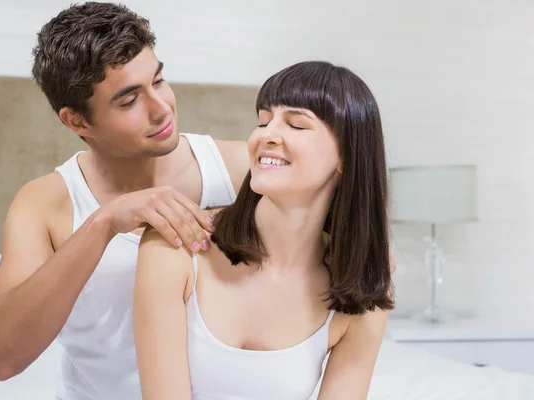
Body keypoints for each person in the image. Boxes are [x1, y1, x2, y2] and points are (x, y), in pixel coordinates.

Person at [0, 2, 249, 399]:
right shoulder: (45, 204)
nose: (162, 109)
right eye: (129, 101)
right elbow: (0, 360)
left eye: (158, 81)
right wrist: (102, 224)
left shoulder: (239, 171)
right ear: (77, 122)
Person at [134, 60, 395, 399]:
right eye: (263, 119)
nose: (266, 135)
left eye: (297, 125)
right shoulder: (176, 247)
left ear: (345, 155)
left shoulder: (362, 285)